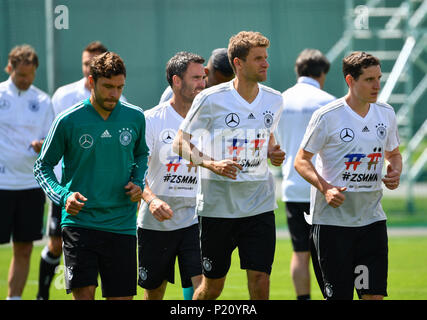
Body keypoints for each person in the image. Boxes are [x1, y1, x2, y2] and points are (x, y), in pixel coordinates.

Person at [173, 31, 285, 300]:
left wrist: (273, 151)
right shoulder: (210, 99)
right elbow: (180, 143)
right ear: (238, 63)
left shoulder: (275, 99)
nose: (265, 63)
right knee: (213, 287)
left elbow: (267, 135)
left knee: (260, 281)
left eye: (266, 58)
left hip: (259, 206)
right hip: (218, 209)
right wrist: (212, 164)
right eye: (258, 58)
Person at [34, 52, 149, 300]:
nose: (114, 94)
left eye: (119, 87)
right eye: (108, 87)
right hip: (80, 223)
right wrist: (64, 196)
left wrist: (138, 182)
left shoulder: (135, 117)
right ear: (91, 82)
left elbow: (142, 155)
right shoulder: (67, 120)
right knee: (84, 295)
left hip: (122, 224)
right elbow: (42, 167)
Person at [294, 51, 402, 300]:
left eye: (379, 78)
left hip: (372, 222)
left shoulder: (385, 113)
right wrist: (326, 188)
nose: (377, 85)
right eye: (369, 79)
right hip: (333, 227)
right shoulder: (327, 116)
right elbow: (301, 161)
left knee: (373, 296)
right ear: (350, 81)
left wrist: (395, 170)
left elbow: (394, 153)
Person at [137, 51, 206, 300]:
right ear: (177, 81)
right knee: (154, 293)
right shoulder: (151, 119)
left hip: (195, 218)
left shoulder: (210, 119)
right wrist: (151, 199)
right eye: (196, 77)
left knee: (203, 287)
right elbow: (136, 171)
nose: (202, 83)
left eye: (203, 77)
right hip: (156, 221)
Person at [275, 49, 335, 300]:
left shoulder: (280, 100)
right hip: (322, 187)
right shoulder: (328, 101)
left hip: (291, 186)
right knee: (329, 252)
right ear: (321, 73)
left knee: (300, 251)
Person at [0, 44, 54, 300]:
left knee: (24, 248)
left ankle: (14, 298)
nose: (26, 80)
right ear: (9, 68)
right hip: (1, 184)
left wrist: (42, 144)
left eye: (30, 75)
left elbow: (50, 140)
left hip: (30, 186)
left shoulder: (43, 101)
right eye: (21, 75)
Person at [158, 48, 234, 104]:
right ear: (206, 72)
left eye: (227, 84)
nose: (222, 88)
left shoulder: (232, 95)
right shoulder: (175, 92)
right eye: (218, 83)